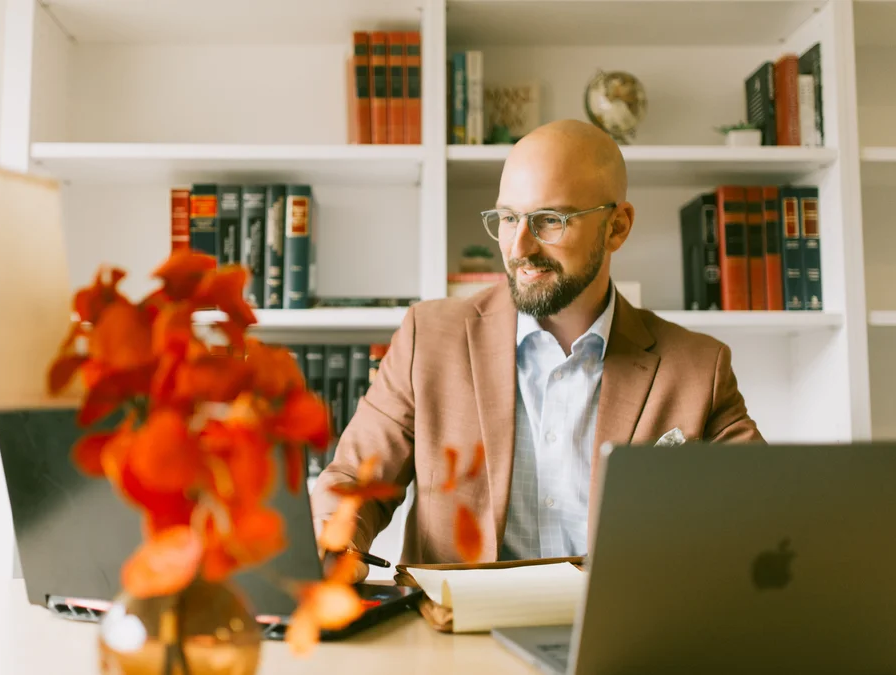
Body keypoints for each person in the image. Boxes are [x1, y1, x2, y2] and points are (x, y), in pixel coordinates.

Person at [310, 119, 764, 581]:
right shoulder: (426, 339)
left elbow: (768, 512)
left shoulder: (697, 367)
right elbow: (352, 483)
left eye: (550, 220)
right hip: (456, 638)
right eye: (508, 218)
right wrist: (334, 548)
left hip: (620, 638)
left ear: (617, 227)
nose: (519, 247)